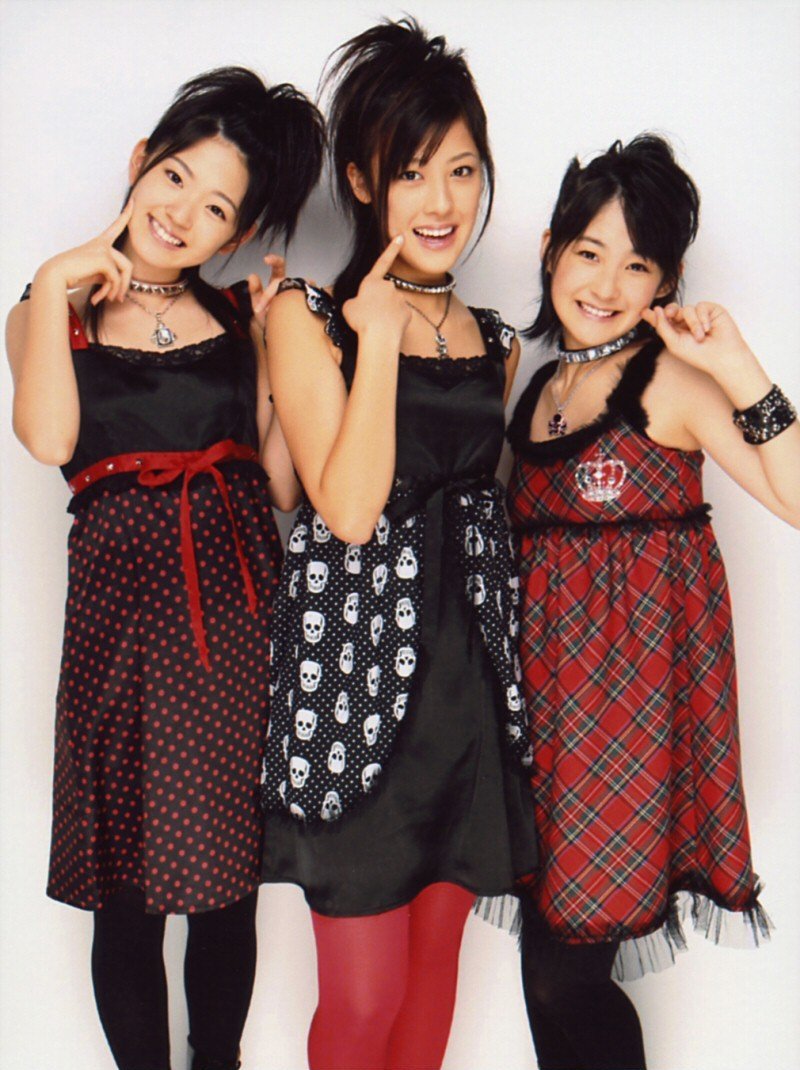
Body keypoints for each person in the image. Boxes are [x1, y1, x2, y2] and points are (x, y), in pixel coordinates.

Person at [5, 67, 323, 1070]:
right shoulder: (50, 308)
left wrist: (284, 347)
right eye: (176, 178)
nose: (183, 214)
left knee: (227, 892)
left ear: (238, 232)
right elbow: (49, 436)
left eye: (217, 207)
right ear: (142, 162)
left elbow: (282, 485)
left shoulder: (235, 318)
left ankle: (217, 1059)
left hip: (235, 630)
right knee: (129, 897)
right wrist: (54, 277)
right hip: (121, 633)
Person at [259, 19, 537, 1070]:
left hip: (464, 694)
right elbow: (345, 508)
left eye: (461, 170)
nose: (442, 200)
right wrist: (376, 338)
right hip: (351, 694)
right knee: (364, 999)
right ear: (365, 179)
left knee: (429, 995)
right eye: (412, 171)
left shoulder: (494, 340)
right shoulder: (310, 318)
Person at [506, 134, 800, 1070]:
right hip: (541, 717)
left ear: (665, 282)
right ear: (551, 250)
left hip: (627, 718)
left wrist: (739, 364)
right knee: (541, 976)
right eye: (589, 252)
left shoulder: (669, 384)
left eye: (636, 265)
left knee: (565, 977)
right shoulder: (535, 386)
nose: (605, 284)